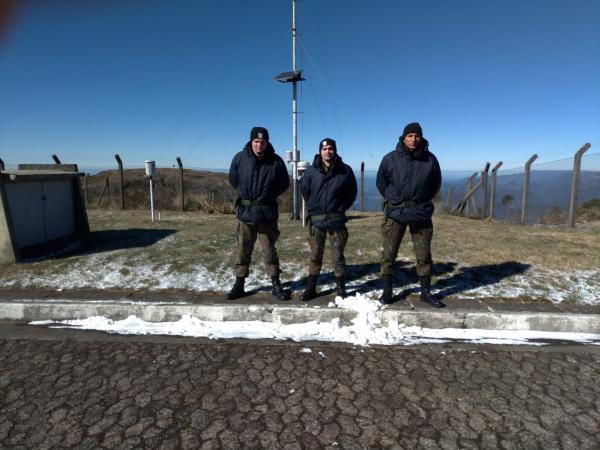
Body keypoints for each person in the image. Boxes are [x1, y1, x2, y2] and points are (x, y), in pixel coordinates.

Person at [376, 122, 444, 307]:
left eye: (417, 136)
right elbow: (381, 182)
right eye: (410, 136)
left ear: (421, 138)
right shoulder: (390, 159)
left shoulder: (430, 160)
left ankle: (425, 292)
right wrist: (394, 199)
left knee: (423, 255)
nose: (413, 139)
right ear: (403, 138)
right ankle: (387, 291)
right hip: (396, 212)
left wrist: (420, 200)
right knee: (389, 254)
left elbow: (435, 184)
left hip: (420, 213)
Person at [226, 126, 291, 301]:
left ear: (267, 142)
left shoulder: (276, 161)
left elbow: (284, 183)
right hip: (245, 214)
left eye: (262, 142)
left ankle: (276, 285)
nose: (259, 145)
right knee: (242, 250)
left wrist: (267, 196)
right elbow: (233, 179)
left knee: (269, 251)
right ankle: (239, 285)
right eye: (256, 141)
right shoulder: (239, 159)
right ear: (251, 141)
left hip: (266, 214)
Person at [299, 138, 357, 300]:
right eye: (324, 149)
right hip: (317, 221)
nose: (327, 151)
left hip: (337, 221)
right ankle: (311, 288)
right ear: (320, 151)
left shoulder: (345, 170)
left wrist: (340, 207)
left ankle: (341, 288)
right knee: (315, 255)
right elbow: (305, 191)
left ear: (335, 150)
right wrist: (313, 207)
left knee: (338, 256)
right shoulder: (311, 171)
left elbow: (351, 193)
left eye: (330, 148)